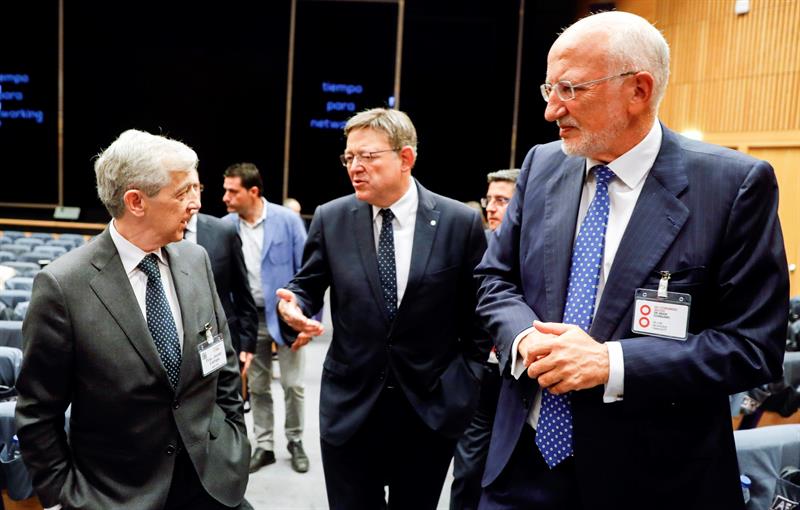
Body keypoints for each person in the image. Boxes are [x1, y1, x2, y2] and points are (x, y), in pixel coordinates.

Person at [475, 11, 788, 510]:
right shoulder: (542, 164)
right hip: (523, 467)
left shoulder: (732, 187)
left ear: (638, 90)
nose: (552, 111)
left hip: (654, 479)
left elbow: (752, 347)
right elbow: (495, 279)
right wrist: (526, 337)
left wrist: (610, 363)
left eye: (571, 90)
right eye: (548, 89)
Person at [15, 129, 250, 510]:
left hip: (214, 483)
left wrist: (235, 440)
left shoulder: (196, 259)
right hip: (117, 496)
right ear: (136, 201)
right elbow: (38, 412)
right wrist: (63, 497)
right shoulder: (63, 286)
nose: (196, 204)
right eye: (182, 192)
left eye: (197, 188)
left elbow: (220, 364)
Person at [276, 107, 489, 509]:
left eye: (368, 156)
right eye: (349, 157)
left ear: (405, 158)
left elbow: (477, 315)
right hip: (351, 409)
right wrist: (294, 305)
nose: (355, 167)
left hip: (429, 409)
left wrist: (467, 382)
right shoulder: (332, 217)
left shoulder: (458, 223)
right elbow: (305, 285)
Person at [221, 163, 310, 474]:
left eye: (233, 191)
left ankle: (295, 441)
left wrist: (307, 321)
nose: (225, 197)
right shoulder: (225, 226)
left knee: (293, 384)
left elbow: (309, 272)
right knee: (257, 386)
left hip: (287, 316)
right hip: (249, 320)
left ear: (253, 192)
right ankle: (265, 445)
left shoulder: (287, 221)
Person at [450, 168, 519, 510]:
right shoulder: (476, 245)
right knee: (467, 471)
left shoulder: (538, 251)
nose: (491, 208)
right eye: (488, 199)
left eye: (502, 200)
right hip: (479, 374)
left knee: (510, 473)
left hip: (520, 380)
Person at [184, 189, 258, 380]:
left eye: (195, 187)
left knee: (228, 405)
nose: (192, 195)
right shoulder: (156, 235)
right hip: (174, 345)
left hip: (220, 341)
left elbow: (242, 291)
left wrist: (247, 342)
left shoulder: (223, 231)